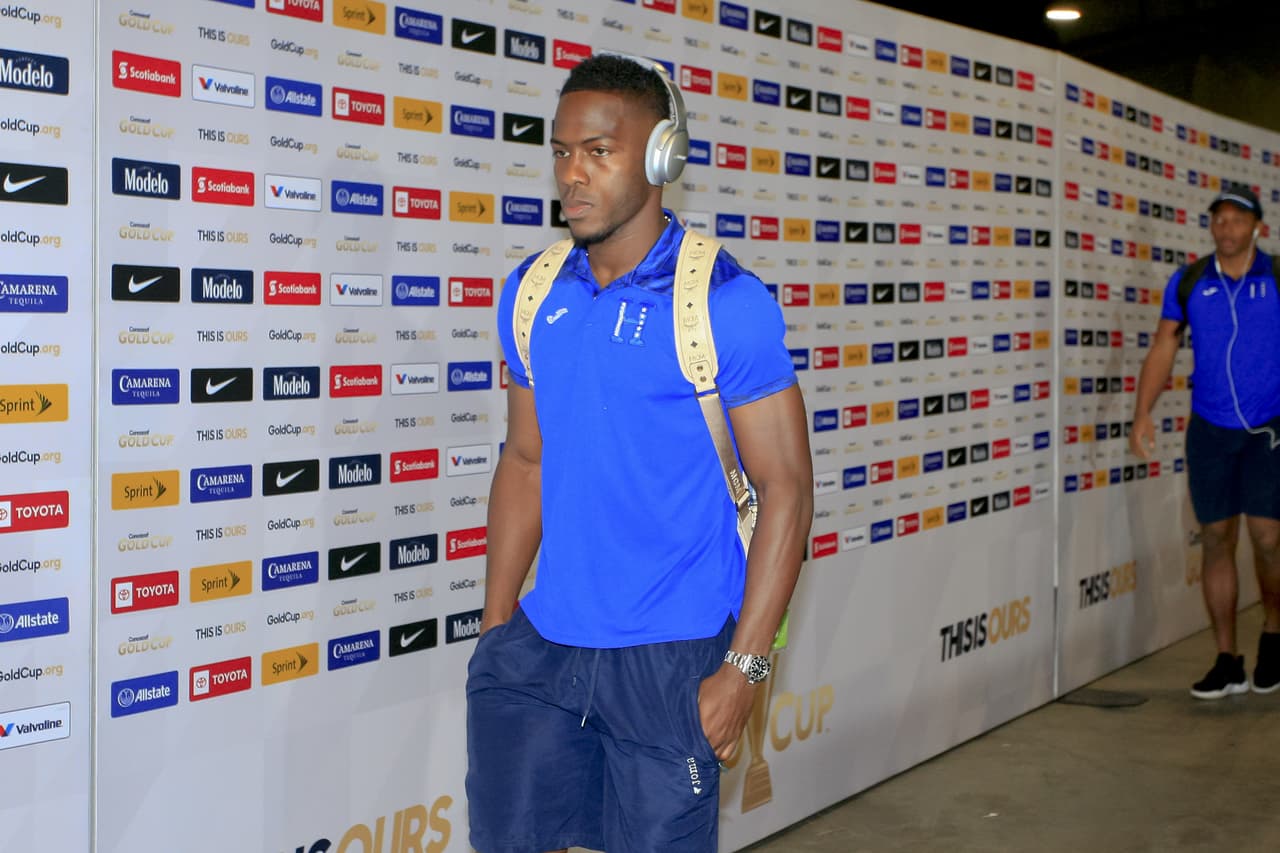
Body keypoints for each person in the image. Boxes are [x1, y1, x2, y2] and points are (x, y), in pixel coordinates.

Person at [465, 54, 813, 853]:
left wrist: (745, 672)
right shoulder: (532, 292)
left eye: (597, 150)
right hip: (542, 654)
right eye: (560, 152)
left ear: (662, 155)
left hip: (672, 663)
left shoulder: (726, 302)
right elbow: (525, 462)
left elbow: (787, 490)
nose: (572, 175)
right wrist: (495, 629)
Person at [1130, 183, 1280, 699]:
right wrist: (1141, 413)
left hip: (1270, 429)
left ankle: (1274, 635)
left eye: (1237, 220)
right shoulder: (1190, 280)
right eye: (1219, 219)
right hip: (1211, 430)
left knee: (1267, 538)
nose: (1226, 228)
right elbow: (1163, 348)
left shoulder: (1277, 275)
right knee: (1216, 538)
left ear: (1257, 227)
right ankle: (1227, 658)